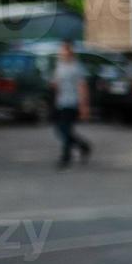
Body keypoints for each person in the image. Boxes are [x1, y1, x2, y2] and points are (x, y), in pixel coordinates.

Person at [50, 41, 92, 169]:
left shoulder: (77, 67)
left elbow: (82, 87)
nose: (61, 53)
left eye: (63, 51)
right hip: (60, 102)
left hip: (72, 102)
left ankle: (65, 157)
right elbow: (56, 82)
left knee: (66, 129)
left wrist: (83, 105)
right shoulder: (59, 66)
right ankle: (83, 146)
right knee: (59, 130)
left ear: (70, 52)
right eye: (60, 51)